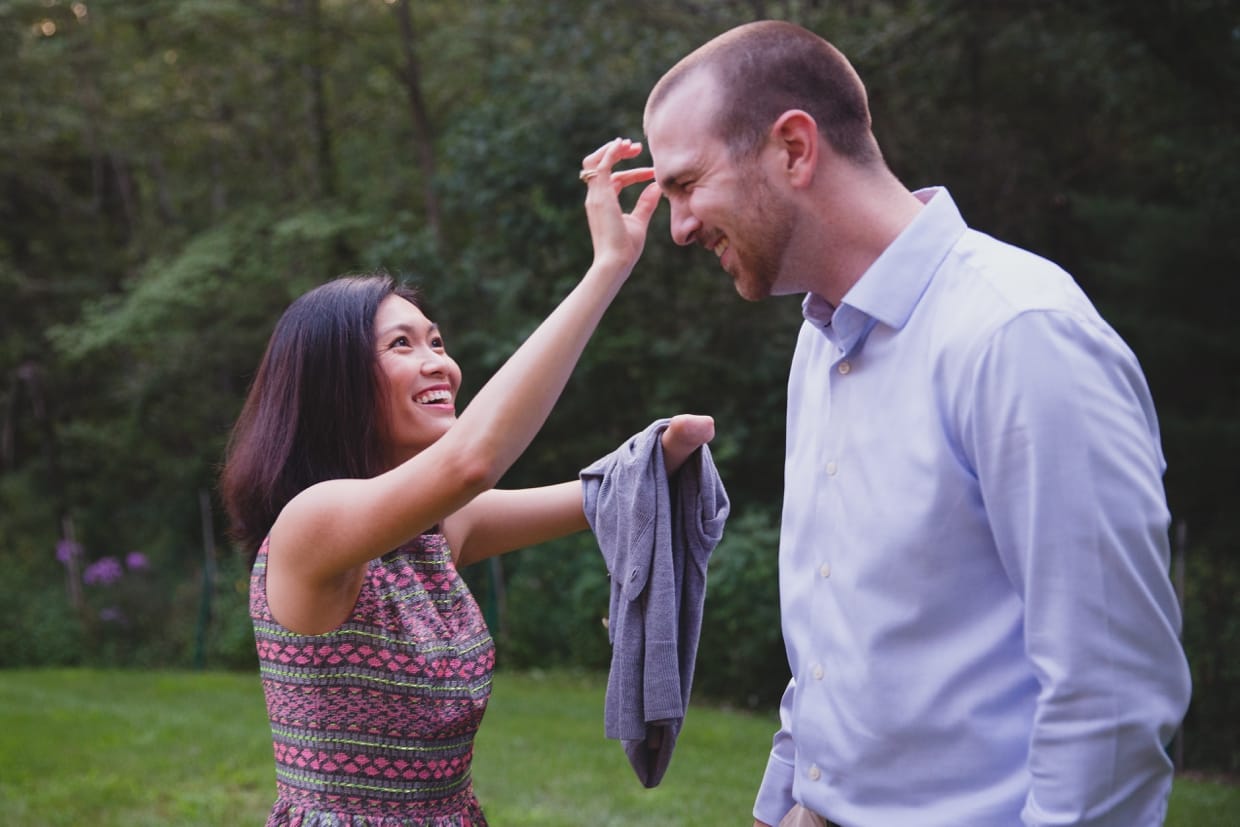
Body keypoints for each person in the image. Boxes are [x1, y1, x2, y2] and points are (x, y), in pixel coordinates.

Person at [640, 20, 1191, 827]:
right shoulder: (818, 340)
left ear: (794, 148)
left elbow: (1110, 697)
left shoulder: (1017, 332)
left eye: (687, 184)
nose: (679, 226)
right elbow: (835, 635)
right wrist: (787, 801)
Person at [219, 138, 716, 826]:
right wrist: (608, 266)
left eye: (438, 342)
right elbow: (473, 461)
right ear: (334, 383)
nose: (440, 365)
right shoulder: (313, 525)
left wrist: (661, 456)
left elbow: (601, 498)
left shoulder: (436, 531)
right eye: (402, 345)